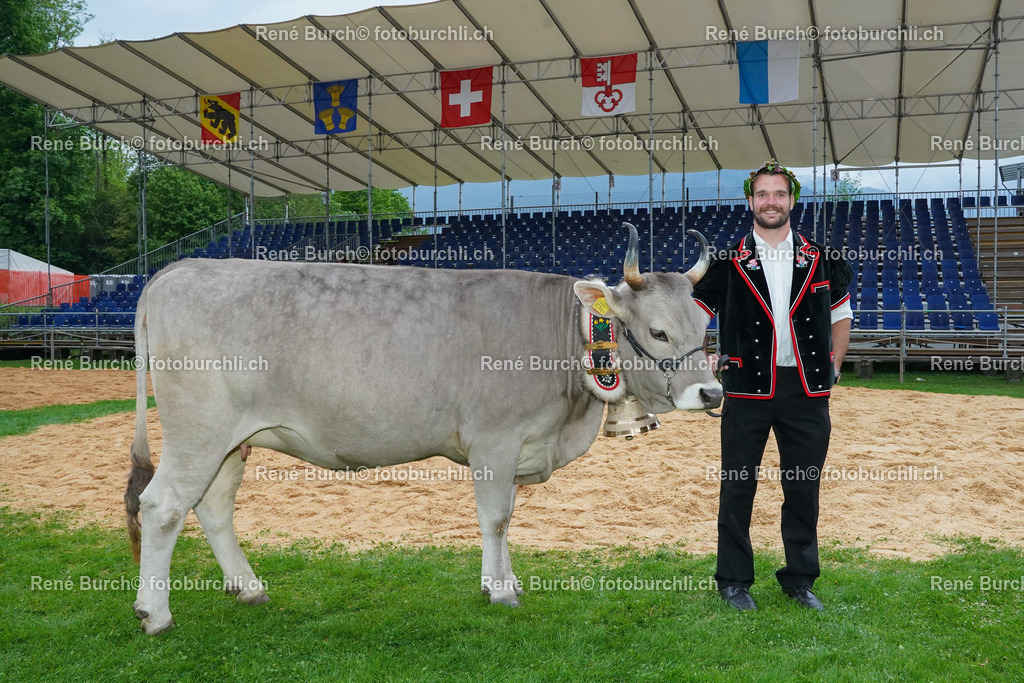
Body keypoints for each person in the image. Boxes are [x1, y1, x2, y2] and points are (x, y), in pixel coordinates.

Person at [692, 160, 853, 612]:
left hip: (807, 390)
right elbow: (696, 316)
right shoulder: (726, 262)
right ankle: (733, 581)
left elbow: (841, 317)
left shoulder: (823, 258)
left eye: (778, 194)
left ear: (792, 201)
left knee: (803, 486)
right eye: (762, 194)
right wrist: (704, 355)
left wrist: (834, 366)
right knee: (738, 485)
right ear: (750, 202)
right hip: (746, 389)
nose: (770, 202)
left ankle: (799, 580)